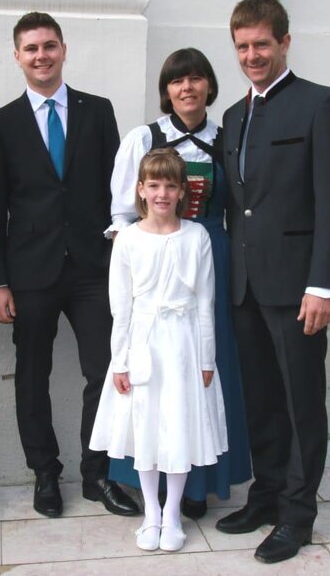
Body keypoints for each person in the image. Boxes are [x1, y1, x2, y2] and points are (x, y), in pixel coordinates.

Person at [0, 11, 139, 519]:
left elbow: (120, 194)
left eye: (49, 45)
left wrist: (125, 261)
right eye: (31, 48)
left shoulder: (98, 111)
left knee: (106, 370)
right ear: (18, 57)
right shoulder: (1, 124)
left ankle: (96, 474)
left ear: (64, 50)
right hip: (30, 272)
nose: (41, 55)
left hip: (94, 268)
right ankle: (44, 473)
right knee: (32, 375)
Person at [215, 0, 330, 563]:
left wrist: (323, 284)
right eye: (242, 46)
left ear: (285, 43)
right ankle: (267, 495)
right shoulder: (232, 116)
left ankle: (298, 516)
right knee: (261, 400)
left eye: (262, 45)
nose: (252, 55)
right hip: (245, 286)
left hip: (298, 289)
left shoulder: (321, 104)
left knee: (301, 403)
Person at [106, 48, 251, 517]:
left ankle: (197, 486)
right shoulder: (144, 138)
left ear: (210, 85)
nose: (186, 88)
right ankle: (152, 483)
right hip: (157, 263)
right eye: (176, 81)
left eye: (195, 78)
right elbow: (123, 213)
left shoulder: (228, 140)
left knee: (205, 368)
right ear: (166, 90)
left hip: (211, 257)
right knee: (156, 373)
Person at [90, 148, 228, 552]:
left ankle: (172, 514)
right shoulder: (128, 239)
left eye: (170, 186)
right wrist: (120, 360)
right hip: (143, 343)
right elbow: (121, 307)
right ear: (141, 190)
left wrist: (206, 358)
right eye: (154, 185)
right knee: (147, 425)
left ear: (183, 191)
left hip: (184, 344)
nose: (162, 194)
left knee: (179, 425)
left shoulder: (196, 236)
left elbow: (205, 301)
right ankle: (151, 511)